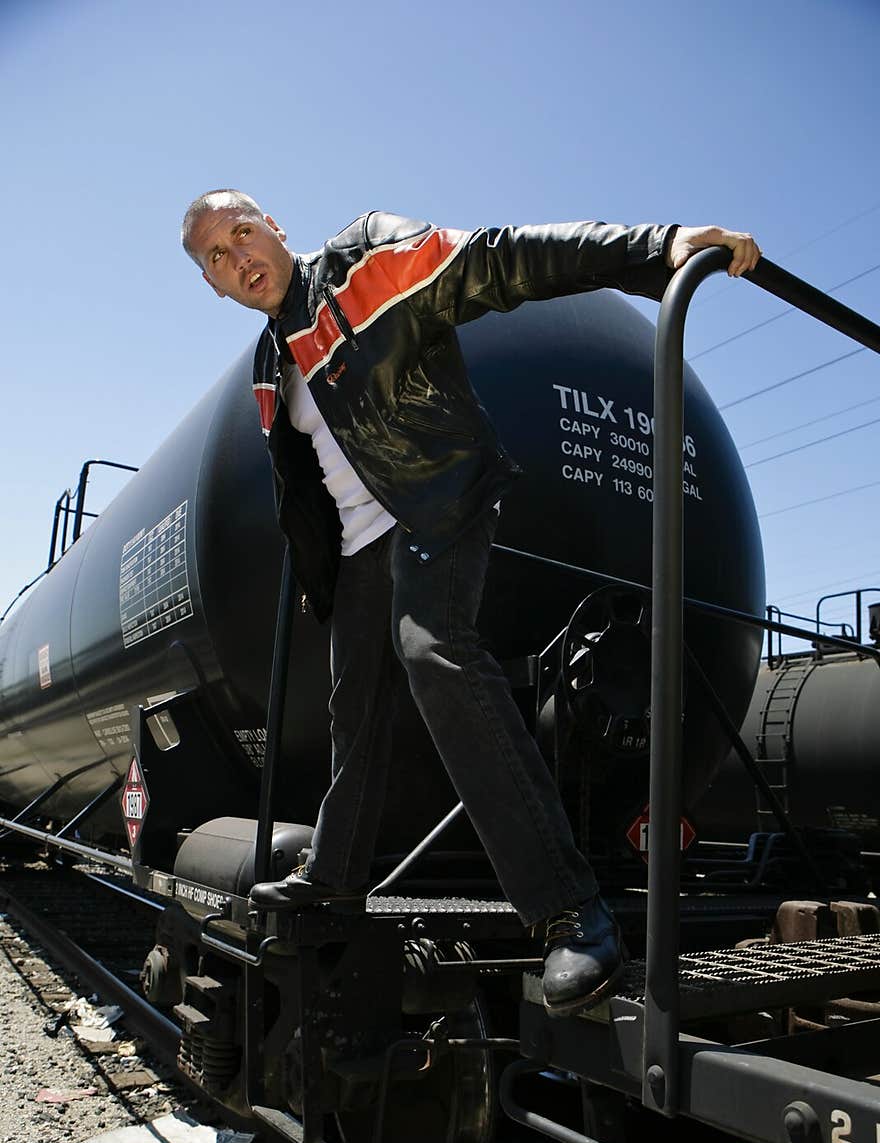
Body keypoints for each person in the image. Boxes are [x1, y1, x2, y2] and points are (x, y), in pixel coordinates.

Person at [181, 191, 760, 1017]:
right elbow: (303, 484)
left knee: (434, 651)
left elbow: (499, 257)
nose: (238, 258)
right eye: (216, 258)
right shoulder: (269, 364)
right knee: (356, 708)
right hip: (358, 549)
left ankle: (573, 915)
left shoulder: (365, 265)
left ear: (273, 225)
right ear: (214, 285)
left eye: (243, 234)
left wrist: (656, 247)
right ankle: (336, 877)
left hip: (437, 503)